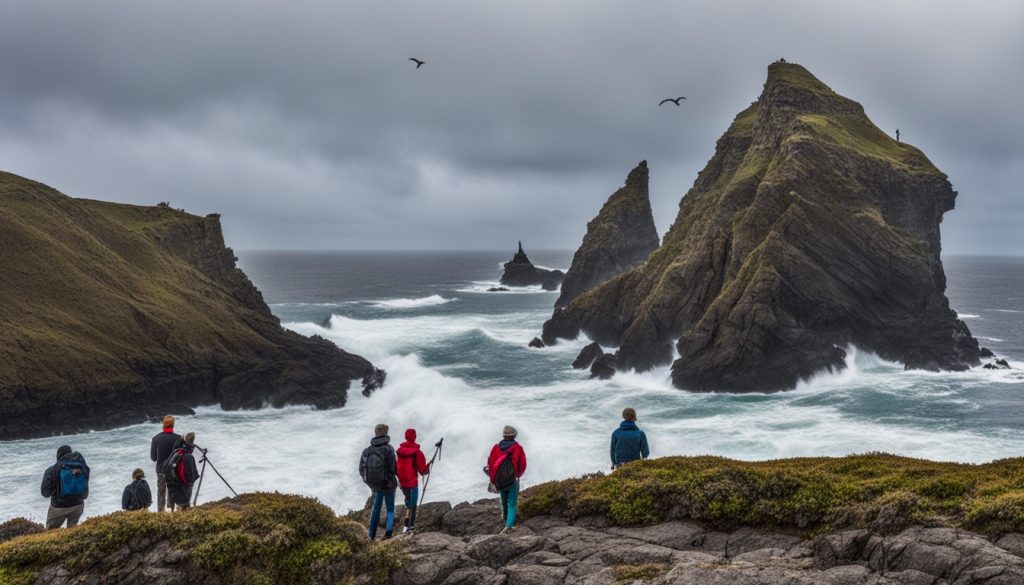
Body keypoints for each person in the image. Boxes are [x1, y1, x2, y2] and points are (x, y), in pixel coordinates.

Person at [484, 426, 527, 534]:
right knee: (512, 503)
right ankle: (509, 526)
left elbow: (490, 463)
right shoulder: (517, 448)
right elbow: (522, 465)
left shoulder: (496, 447)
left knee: (503, 498)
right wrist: (517, 474)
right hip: (511, 480)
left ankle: (504, 517)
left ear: (504, 435)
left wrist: (494, 478)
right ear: (514, 435)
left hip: (499, 480)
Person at [360, 423, 399, 540]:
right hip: (389, 485)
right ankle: (388, 533)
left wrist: (370, 483)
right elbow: (393, 469)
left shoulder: (367, 451)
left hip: (376, 486)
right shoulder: (389, 449)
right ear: (386, 432)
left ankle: (371, 534)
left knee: (375, 509)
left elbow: (361, 470)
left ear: (376, 432)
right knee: (390, 509)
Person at [40, 445, 90, 529]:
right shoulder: (81, 466)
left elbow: (45, 493)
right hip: (78, 506)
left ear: (58, 455)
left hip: (58, 508)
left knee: (51, 533)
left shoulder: (51, 470)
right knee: (72, 532)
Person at [396, 428, 431, 535]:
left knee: (408, 500)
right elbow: (422, 470)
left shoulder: (400, 451)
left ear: (405, 437)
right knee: (413, 505)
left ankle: (406, 524)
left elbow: (398, 465)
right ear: (414, 437)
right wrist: (428, 466)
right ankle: (409, 527)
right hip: (411, 483)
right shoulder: (417, 453)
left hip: (401, 482)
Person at [151, 415, 182, 512]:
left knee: (161, 492)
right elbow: (181, 456)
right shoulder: (179, 438)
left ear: (163, 425)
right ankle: (171, 510)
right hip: (173, 469)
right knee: (172, 490)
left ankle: (160, 513)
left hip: (161, 470)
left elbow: (153, 458)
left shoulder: (156, 438)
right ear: (173, 425)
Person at [164, 432, 200, 511]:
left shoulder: (176, 452)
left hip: (172, 489)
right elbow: (191, 478)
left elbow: (165, 468)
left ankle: (172, 512)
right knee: (184, 510)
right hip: (182, 493)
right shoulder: (188, 457)